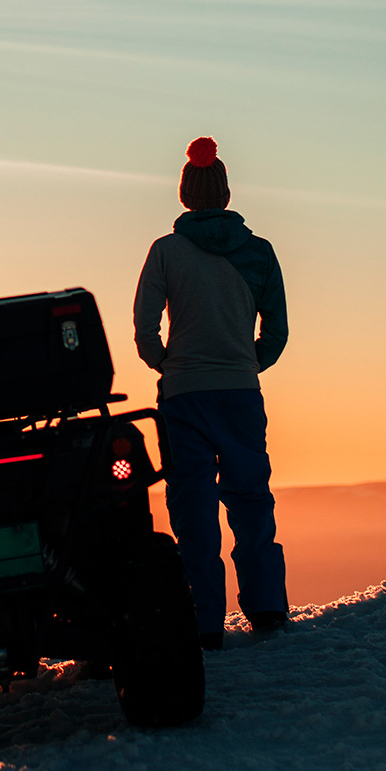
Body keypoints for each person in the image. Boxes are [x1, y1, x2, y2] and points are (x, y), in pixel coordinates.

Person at [133, 137, 289, 651]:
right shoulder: (259, 252)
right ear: (224, 193)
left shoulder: (166, 251)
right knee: (251, 500)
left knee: (193, 506)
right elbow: (277, 332)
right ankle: (266, 608)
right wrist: (248, 364)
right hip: (241, 393)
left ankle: (204, 625)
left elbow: (144, 324)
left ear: (185, 195)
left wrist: (165, 363)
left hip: (184, 396)